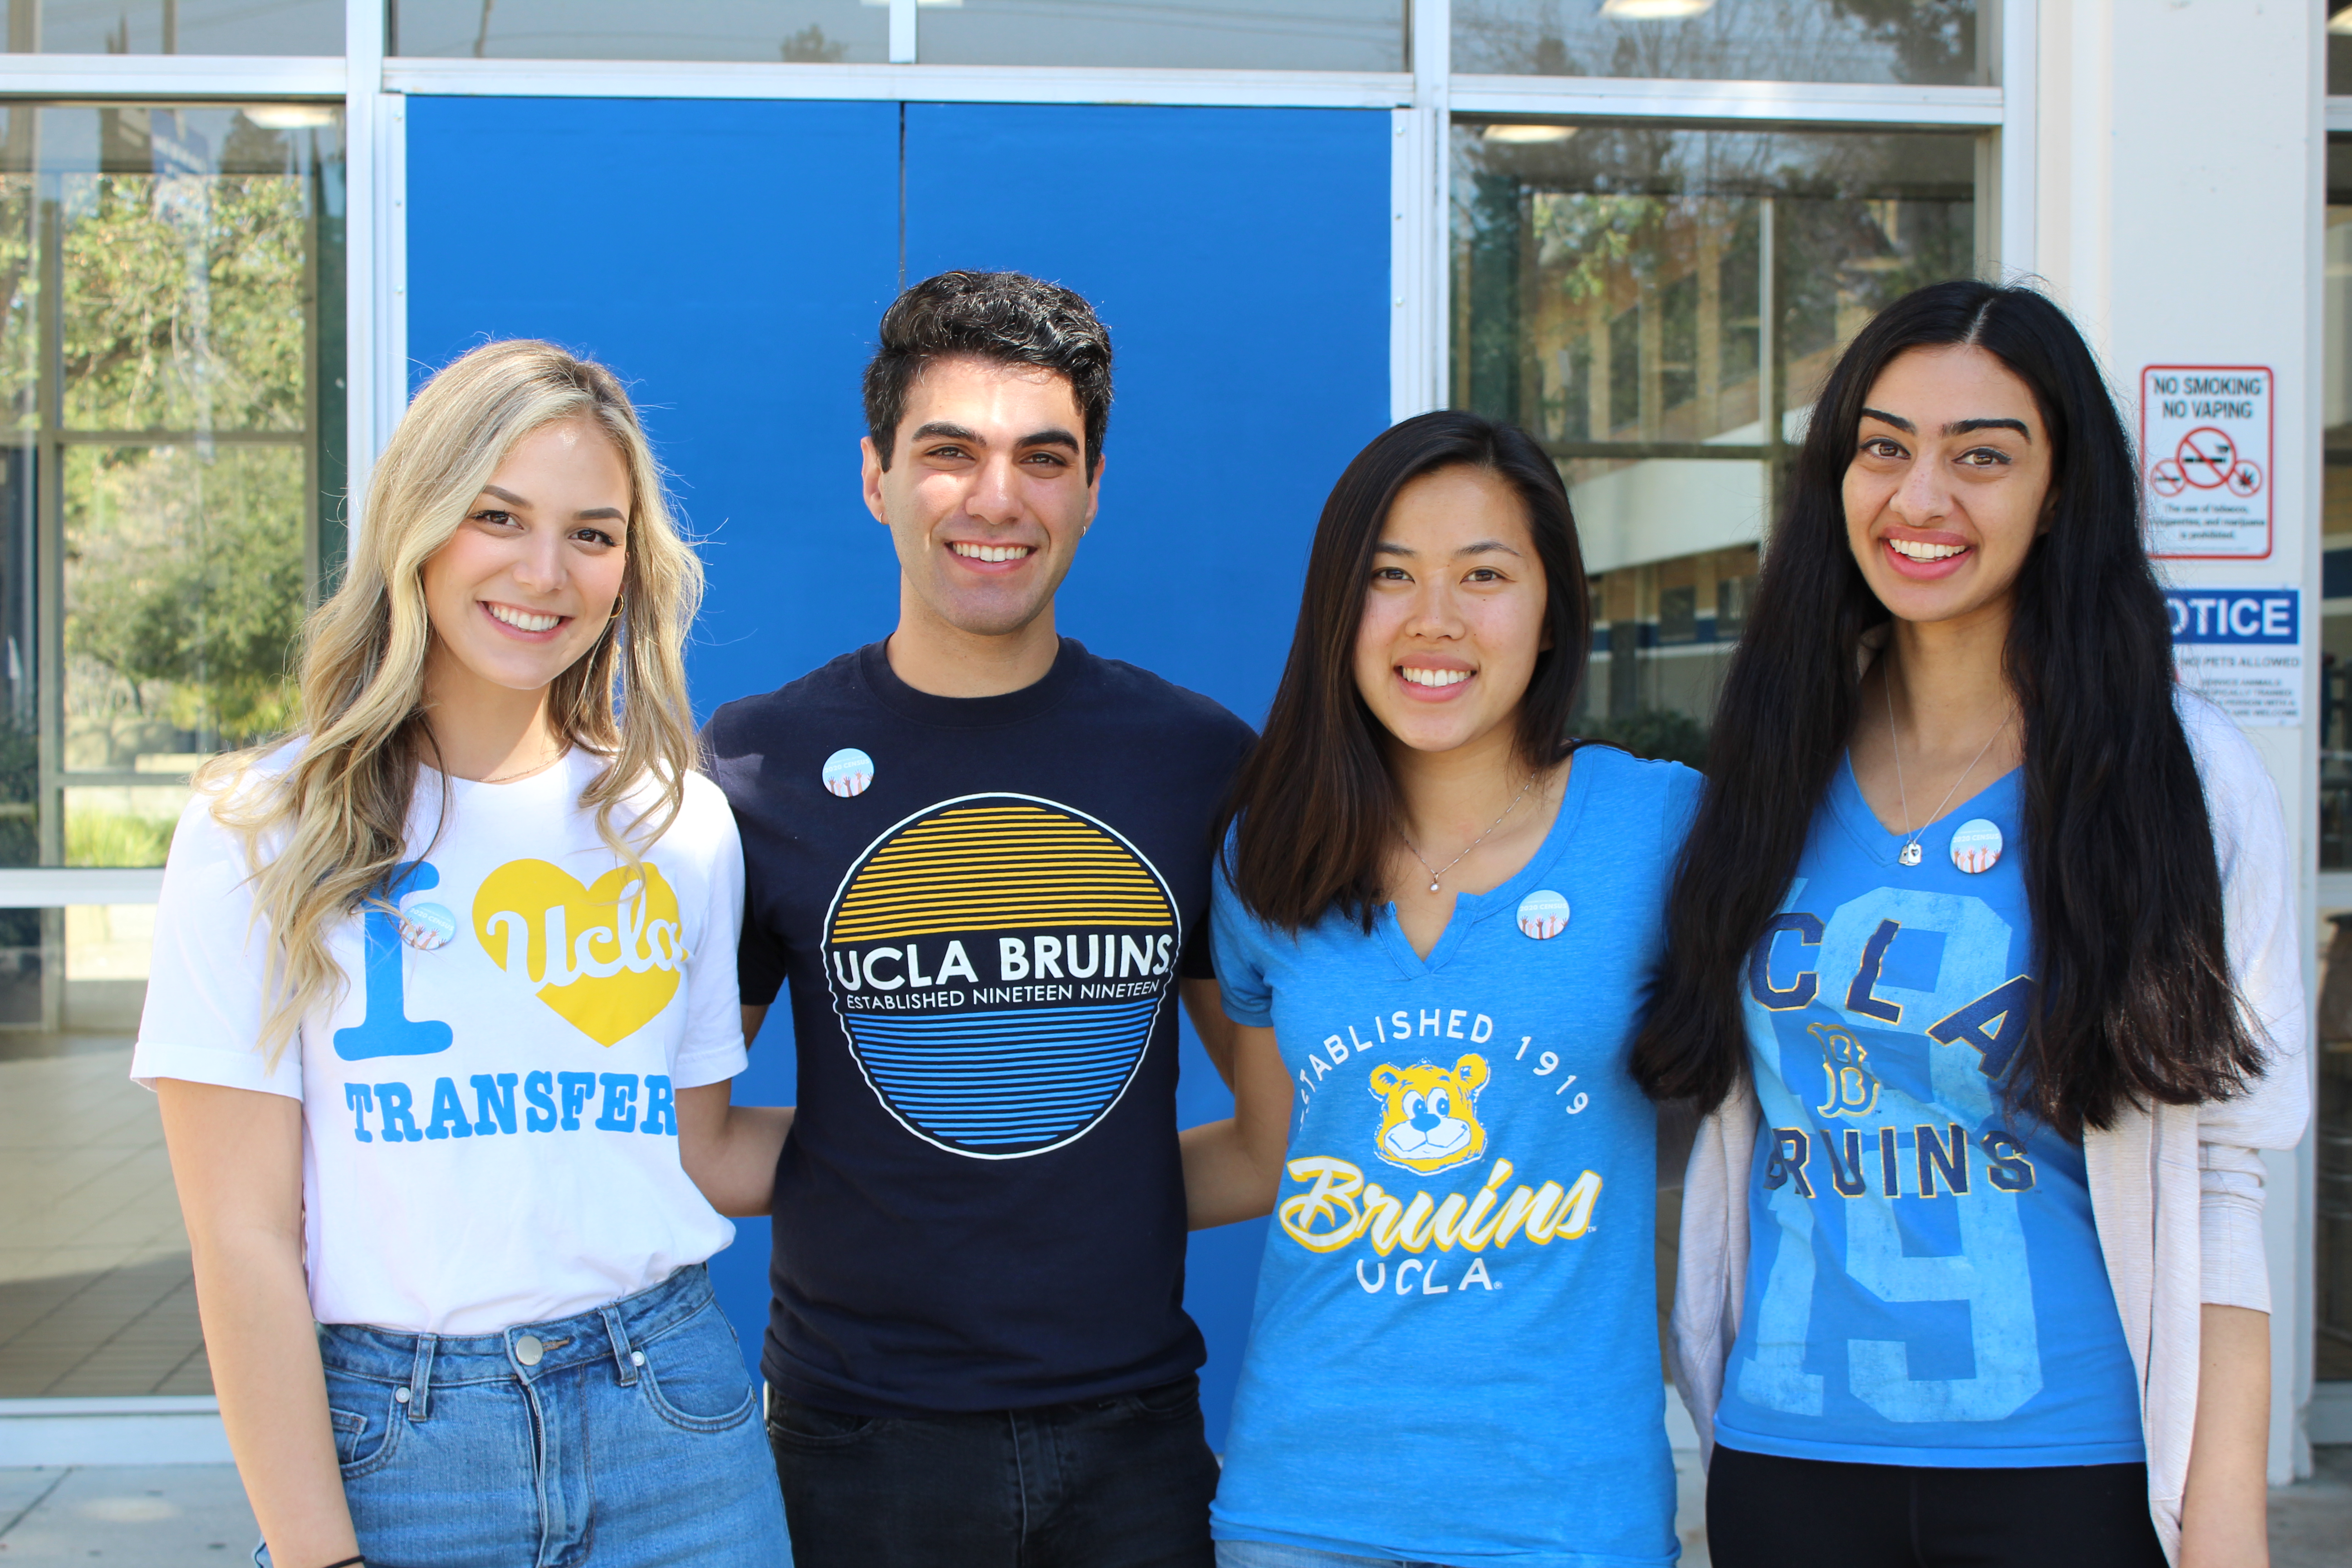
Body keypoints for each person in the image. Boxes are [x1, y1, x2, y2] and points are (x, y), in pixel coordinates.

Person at [1632, 280, 2309, 1568]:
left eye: (1982, 456)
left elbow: (2225, 1174)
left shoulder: (2181, 777)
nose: (1921, 496)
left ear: (2061, 492)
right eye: (1883, 447)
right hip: (1789, 1462)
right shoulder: (1771, 768)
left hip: (2071, 1472)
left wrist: (2227, 1534)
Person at [135, 341, 791, 1568]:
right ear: (421, 526)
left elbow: (698, 1147)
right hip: (399, 1448)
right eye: (500, 517)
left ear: (630, 569)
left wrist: (965, 1138)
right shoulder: (258, 833)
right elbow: (242, 1241)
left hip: (677, 1424)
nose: (545, 573)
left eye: (593, 535)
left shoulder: (677, 823)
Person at [700, 270, 1255, 1568]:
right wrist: (908, 1170)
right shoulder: (752, 770)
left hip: (1136, 1438)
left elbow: (1276, 1136)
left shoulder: (1198, 764)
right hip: (856, 1440)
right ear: (876, 477)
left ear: (1093, 487)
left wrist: (1078, 1181)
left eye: (1042, 459)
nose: (996, 499)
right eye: (949, 453)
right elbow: (704, 1145)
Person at [1181, 410, 1700, 1567]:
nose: (1436, 621)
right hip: (1301, 1504)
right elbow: (1273, 1154)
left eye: (1485, 575)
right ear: (1338, 607)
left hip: (1567, 1514)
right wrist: (1001, 1210)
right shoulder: (1269, 858)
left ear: (1556, 602)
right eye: (1392, 576)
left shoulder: (1660, 830)